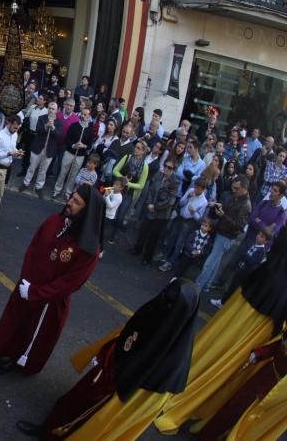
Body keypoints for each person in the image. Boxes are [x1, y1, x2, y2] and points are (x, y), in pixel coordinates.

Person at [15, 280, 199, 440]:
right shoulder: (164, 318)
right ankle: (49, 430)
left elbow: (140, 363)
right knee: (77, 400)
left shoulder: (169, 346)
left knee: (87, 414)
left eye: (169, 301)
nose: (163, 300)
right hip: (114, 370)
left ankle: (55, 433)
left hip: (123, 385)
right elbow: (133, 334)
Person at [0, 185, 105, 375]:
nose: (69, 203)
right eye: (71, 197)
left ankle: (16, 362)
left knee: (31, 335)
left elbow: (70, 283)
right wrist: (26, 282)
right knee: (8, 325)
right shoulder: (54, 221)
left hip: (49, 303)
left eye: (77, 202)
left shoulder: (88, 250)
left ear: (87, 211)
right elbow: (33, 250)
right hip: (26, 286)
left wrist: (35, 293)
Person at [154, 229, 287, 435]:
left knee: (215, 348)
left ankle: (177, 381)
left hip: (257, 300)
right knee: (227, 362)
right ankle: (192, 397)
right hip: (266, 313)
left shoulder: (270, 265)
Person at [130, 157, 181, 266]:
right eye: (165, 166)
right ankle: (137, 249)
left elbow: (170, 201)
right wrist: (149, 203)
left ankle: (147, 258)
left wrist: (155, 206)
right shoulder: (158, 175)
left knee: (153, 237)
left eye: (170, 168)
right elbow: (150, 190)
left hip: (161, 214)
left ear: (174, 169)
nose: (166, 169)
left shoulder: (175, 182)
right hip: (150, 208)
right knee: (143, 231)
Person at [0, 115, 23, 226]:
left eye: (17, 128)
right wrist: (9, 153)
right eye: (14, 128)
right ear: (8, 123)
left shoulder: (14, 134)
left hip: (7, 167)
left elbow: (12, 148)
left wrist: (17, 152)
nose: (16, 130)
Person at [20, 101, 60, 199]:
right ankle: (26, 183)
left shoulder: (58, 122)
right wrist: (46, 126)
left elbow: (58, 135)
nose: (51, 110)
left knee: (43, 171)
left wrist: (53, 127)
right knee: (32, 167)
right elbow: (37, 130)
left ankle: (39, 187)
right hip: (38, 147)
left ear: (57, 111)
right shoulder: (42, 118)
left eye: (53, 109)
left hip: (49, 150)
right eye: (50, 108)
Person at [103, 176, 125, 244]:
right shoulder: (112, 191)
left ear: (121, 188)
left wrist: (107, 196)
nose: (114, 186)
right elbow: (104, 198)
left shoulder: (119, 197)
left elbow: (110, 206)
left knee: (102, 230)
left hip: (108, 216)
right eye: (114, 184)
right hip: (104, 212)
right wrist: (105, 195)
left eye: (117, 185)